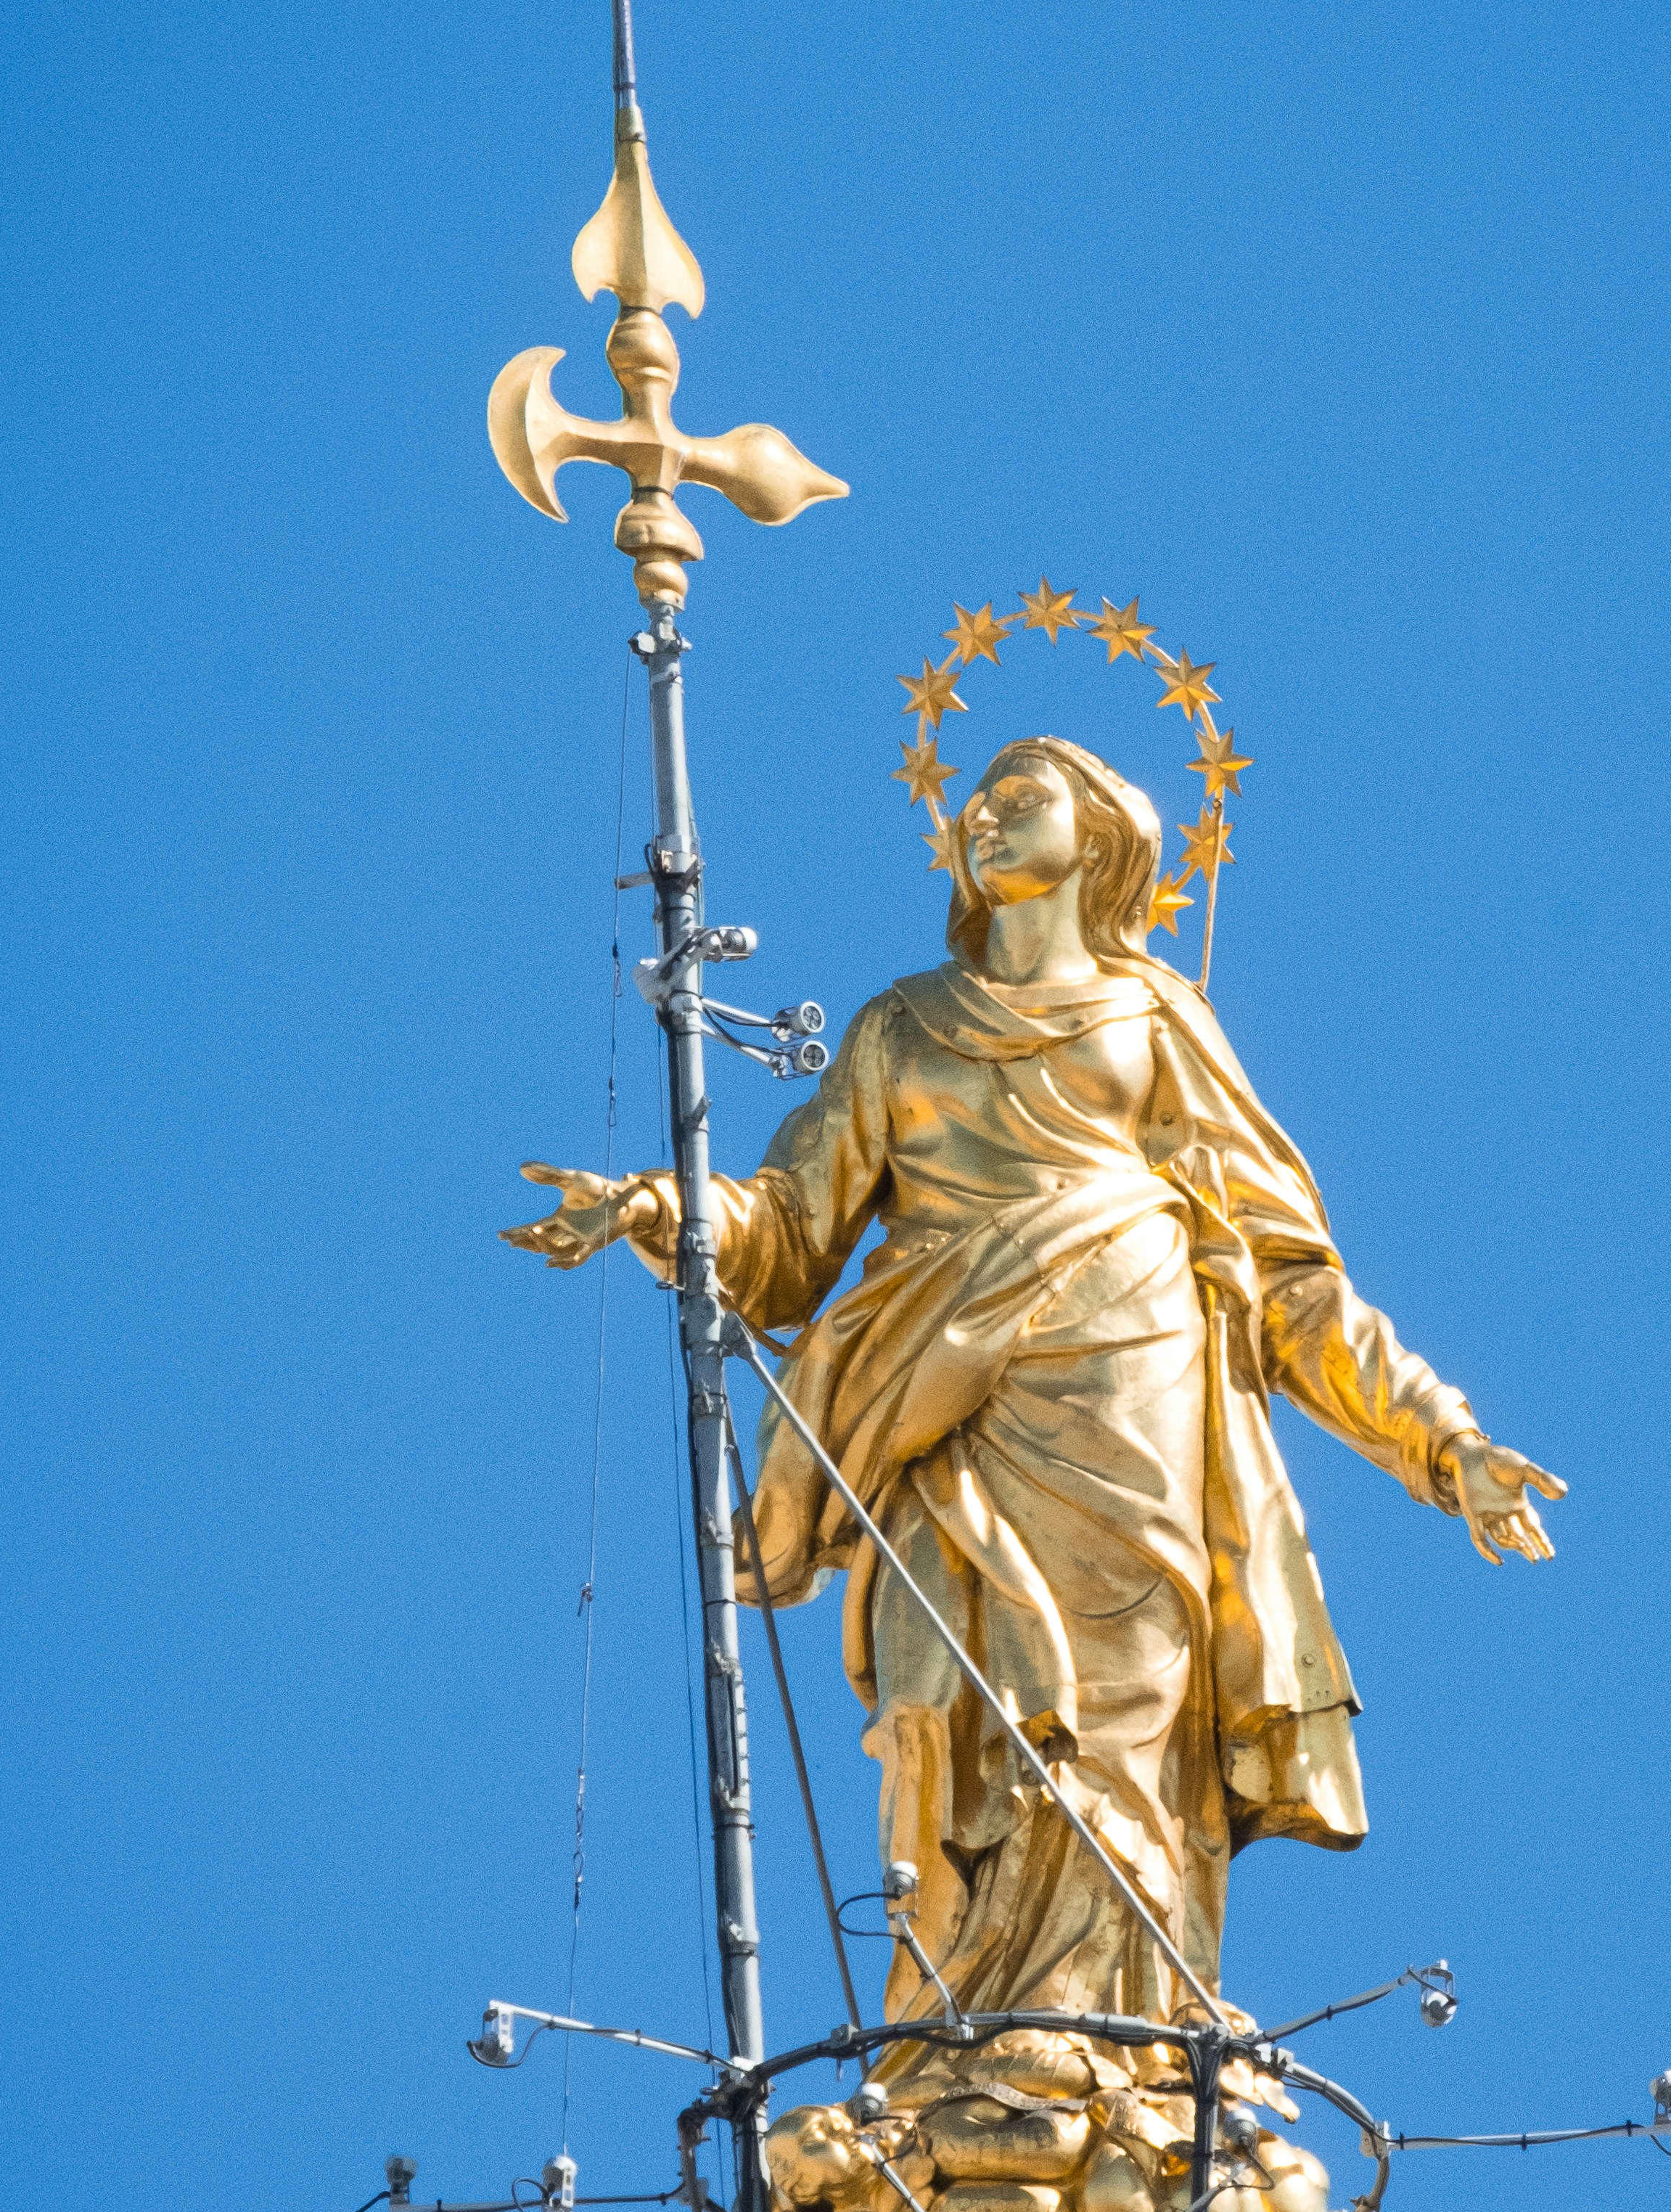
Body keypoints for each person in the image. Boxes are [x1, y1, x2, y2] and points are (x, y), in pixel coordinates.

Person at [507, 736, 1561, 2063]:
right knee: (940, 1719)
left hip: (1133, 1405)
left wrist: (1442, 1436)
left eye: (1021, 798)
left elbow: (1291, 1284)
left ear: (1107, 832)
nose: (982, 817)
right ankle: (953, 2034)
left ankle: (1124, 2036)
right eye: (973, 804)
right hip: (934, 1421)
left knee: (1129, 1718)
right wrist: (667, 1205)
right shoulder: (902, 1028)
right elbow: (785, 1226)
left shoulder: (1156, 1020)